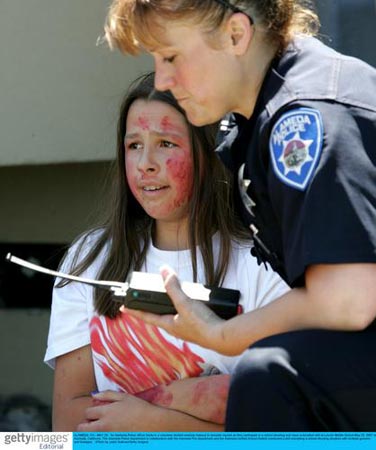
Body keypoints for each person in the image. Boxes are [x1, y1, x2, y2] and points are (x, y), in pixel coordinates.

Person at [103, 0, 376, 431]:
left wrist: (222, 335)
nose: (163, 80)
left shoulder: (306, 117)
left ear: (235, 34)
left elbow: (349, 300)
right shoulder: (273, 109)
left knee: (267, 378)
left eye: (171, 56)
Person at [44, 72, 289, 431]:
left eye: (166, 144)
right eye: (133, 146)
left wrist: (151, 420)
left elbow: (277, 431)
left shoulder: (265, 263)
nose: (145, 163)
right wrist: (203, 395)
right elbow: (67, 426)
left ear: (209, 153)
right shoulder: (90, 258)